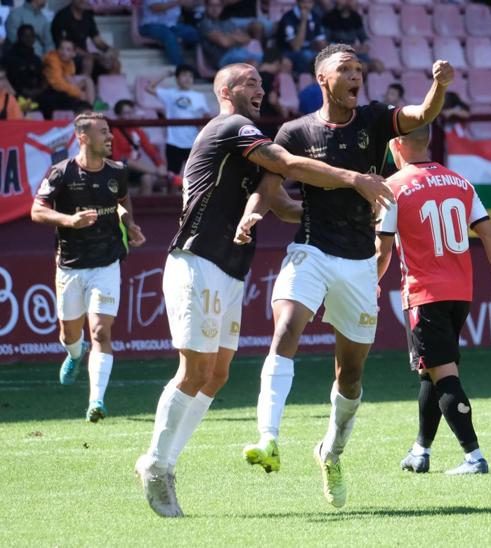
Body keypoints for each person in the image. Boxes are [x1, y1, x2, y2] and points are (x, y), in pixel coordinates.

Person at [134, 61, 391, 518]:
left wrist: (328, 211)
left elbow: (279, 200)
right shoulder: (232, 126)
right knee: (194, 371)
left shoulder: (247, 139)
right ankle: (157, 462)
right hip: (197, 259)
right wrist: (355, 179)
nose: (261, 88)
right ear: (226, 91)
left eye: (261, 81)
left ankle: (165, 462)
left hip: (229, 269)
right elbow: (289, 164)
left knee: (217, 375)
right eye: (249, 82)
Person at [238, 44, 452, 509]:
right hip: (310, 251)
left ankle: (330, 454)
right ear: (323, 79)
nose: (356, 76)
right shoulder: (295, 131)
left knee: (350, 375)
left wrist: (440, 85)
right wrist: (254, 214)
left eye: (359, 70)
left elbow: (420, 114)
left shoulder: (375, 118)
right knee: (285, 330)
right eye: (346, 70)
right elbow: (271, 188)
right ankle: (268, 437)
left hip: (358, 261)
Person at [375, 124, 491, 475]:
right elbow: (489, 233)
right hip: (460, 294)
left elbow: (383, 249)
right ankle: (420, 451)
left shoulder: (393, 188)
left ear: (397, 146)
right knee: (431, 373)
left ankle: (474, 457)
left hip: (424, 294)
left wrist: (366, 285)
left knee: (444, 376)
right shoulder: (459, 182)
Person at [30, 112, 146, 423]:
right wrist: (69, 220)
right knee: (70, 333)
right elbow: (36, 211)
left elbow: (123, 200)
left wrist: (130, 224)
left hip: (107, 262)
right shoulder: (61, 173)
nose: (109, 138)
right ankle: (73, 353)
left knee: (100, 331)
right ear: (83, 137)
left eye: (109, 132)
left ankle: (96, 401)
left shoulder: (117, 171)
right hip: (70, 264)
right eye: (103, 133)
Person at [145, 64, 209, 175]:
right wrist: (164, 75)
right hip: (173, 141)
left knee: (194, 176)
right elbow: (149, 88)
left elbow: (206, 117)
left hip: (193, 142)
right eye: (184, 75)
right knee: (172, 176)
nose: (188, 78)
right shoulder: (169, 93)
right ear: (177, 78)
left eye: (190, 76)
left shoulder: (199, 96)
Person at [110, 99, 169, 195]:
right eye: (126, 113)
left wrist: (160, 164)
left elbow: (151, 151)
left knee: (147, 178)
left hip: (135, 168)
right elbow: (118, 158)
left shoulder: (138, 131)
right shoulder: (113, 131)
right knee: (127, 161)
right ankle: (159, 173)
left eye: (131, 112)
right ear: (118, 115)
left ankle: (146, 208)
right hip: (118, 169)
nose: (129, 116)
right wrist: (156, 171)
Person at [50, 0, 121, 80]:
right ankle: (83, 90)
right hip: (67, 55)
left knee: (114, 62)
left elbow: (97, 40)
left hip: (85, 55)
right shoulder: (62, 17)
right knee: (88, 61)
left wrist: (109, 50)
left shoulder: (88, 14)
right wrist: (94, 57)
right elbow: (66, 46)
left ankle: (109, 90)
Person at [199, 0, 263, 69]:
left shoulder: (227, 22)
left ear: (222, 7)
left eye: (218, 6)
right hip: (222, 58)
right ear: (206, 7)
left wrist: (229, 37)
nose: (215, 9)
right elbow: (225, 43)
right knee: (252, 64)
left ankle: (265, 68)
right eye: (211, 5)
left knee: (257, 53)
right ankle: (266, 68)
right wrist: (235, 37)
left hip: (235, 53)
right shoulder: (205, 24)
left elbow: (246, 39)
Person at [41, 38, 95, 118]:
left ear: (73, 53)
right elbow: (58, 84)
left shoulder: (70, 62)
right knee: (78, 99)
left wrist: (79, 92)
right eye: (61, 48)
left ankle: (90, 108)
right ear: (57, 50)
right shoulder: (52, 59)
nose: (64, 52)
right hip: (50, 94)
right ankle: (87, 108)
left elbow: (69, 79)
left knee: (88, 81)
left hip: (64, 91)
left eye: (68, 50)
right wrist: (79, 93)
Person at [138, 0, 200, 68]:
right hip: (150, 25)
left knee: (195, 34)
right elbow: (156, 8)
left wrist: (193, 3)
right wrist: (178, 2)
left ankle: (202, 67)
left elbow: (187, 6)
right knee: (169, 36)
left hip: (172, 25)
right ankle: (181, 69)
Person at [276, 0, 328, 75]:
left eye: (310, 2)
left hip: (309, 50)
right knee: (307, 56)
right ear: (297, 2)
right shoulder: (288, 17)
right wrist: (303, 20)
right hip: (287, 51)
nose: (306, 5)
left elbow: (321, 42)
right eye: (304, 2)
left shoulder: (315, 16)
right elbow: (296, 47)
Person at [5, 24, 48, 105]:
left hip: (36, 94)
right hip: (16, 95)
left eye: (32, 36)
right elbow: (9, 80)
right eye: (25, 36)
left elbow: (43, 79)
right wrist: (24, 92)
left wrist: (38, 90)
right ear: (19, 37)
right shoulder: (9, 58)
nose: (29, 39)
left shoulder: (36, 59)